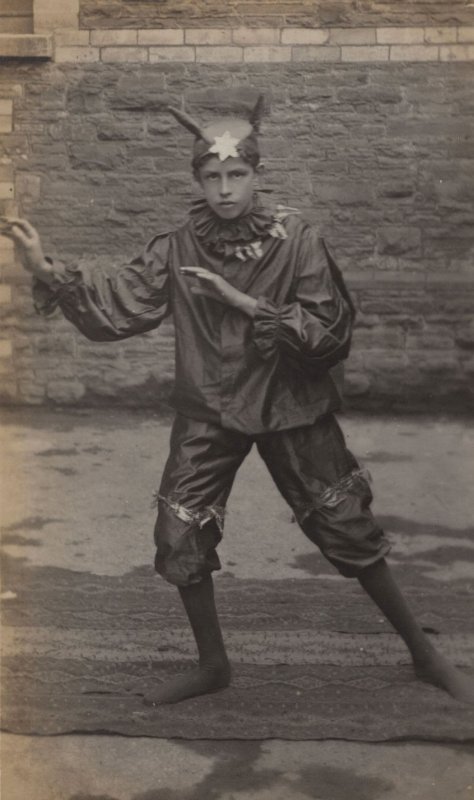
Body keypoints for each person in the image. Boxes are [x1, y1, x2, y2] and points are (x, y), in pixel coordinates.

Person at [3, 95, 473, 707]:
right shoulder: (178, 244)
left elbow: (329, 332)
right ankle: (213, 664)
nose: (225, 189)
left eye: (237, 174)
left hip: (290, 406)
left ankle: (425, 654)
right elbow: (120, 305)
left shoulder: (296, 240)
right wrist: (46, 269)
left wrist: (249, 304)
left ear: (256, 174)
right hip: (210, 409)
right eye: (212, 176)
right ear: (198, 180)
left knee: (346, 527)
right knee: (178, 533)